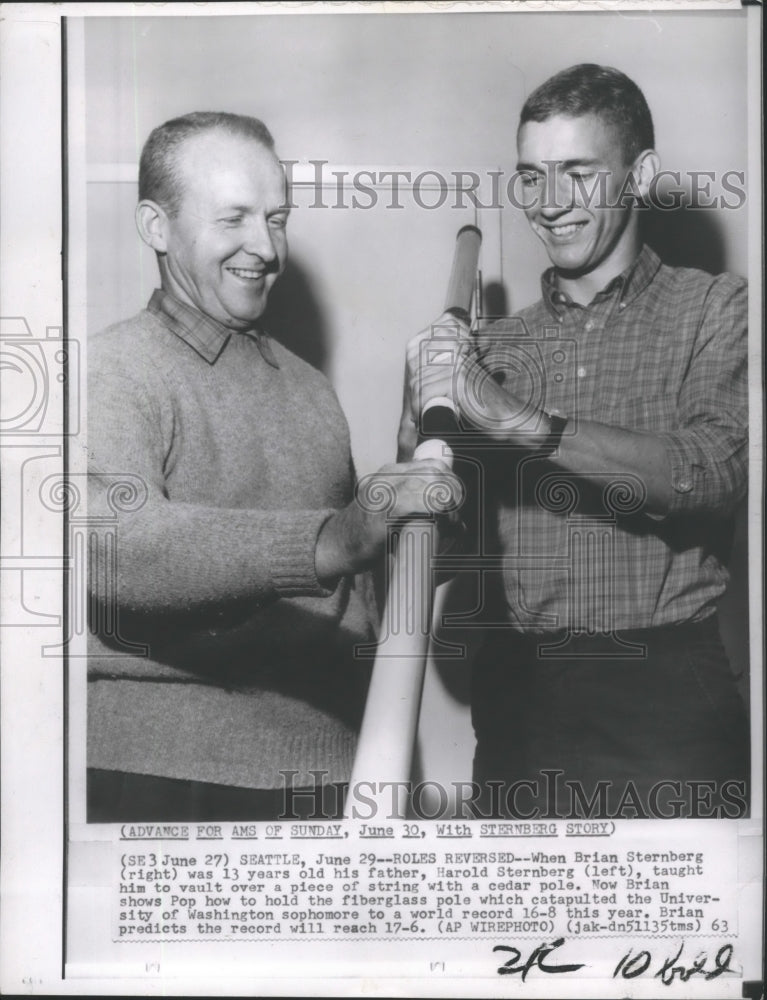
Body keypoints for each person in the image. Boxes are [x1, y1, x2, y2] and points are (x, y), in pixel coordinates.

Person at [400, 64, 749, 818]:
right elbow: (435, 563)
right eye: (530, 177)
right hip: (520, 701)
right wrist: (418, 458)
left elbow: (711, 472)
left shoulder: (716, 307)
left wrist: (515, 421)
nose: (548, 204)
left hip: (667, 698)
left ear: (640, 175)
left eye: (577, 174)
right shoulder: (488, 349)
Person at [87, 111, 454, 822]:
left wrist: (419, 482)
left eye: (276, 218)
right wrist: (332, 537)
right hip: (167, 774)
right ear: (156, 227)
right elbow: (112, 549)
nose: (266, 246)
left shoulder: (312, 390)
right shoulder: (113, 369)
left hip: (334, 778)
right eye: (234, 219)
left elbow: (351, 591)